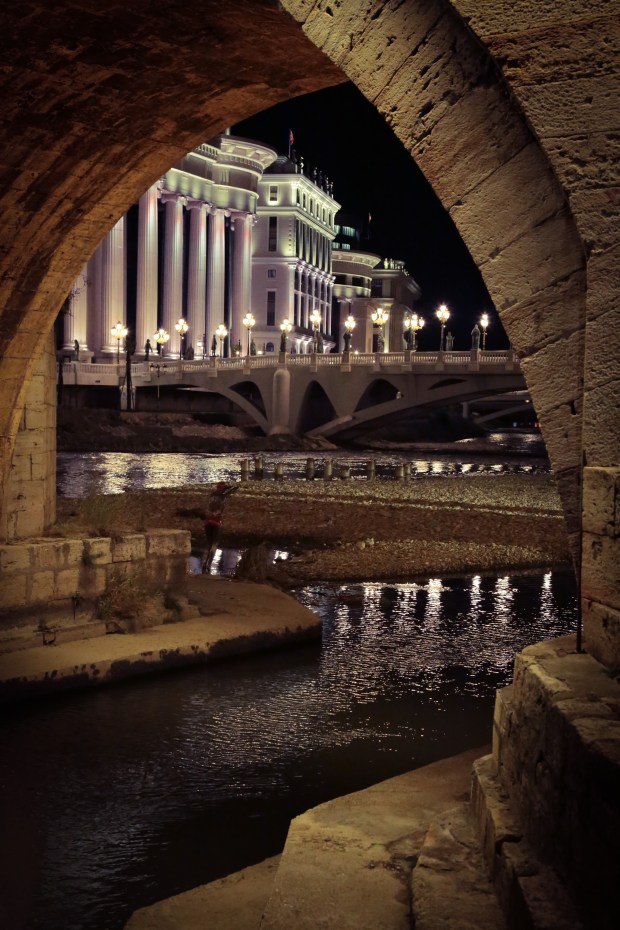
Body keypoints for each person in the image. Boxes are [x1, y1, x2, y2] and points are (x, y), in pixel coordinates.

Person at [202, 482, 238, 573]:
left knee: (208, 543)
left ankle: (204, 564)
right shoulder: (223, 497)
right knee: (214, 544)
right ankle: (209, 565)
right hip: (217, 522)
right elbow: (234, 488)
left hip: (207, 522)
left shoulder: (211, 496)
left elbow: (206, 509)